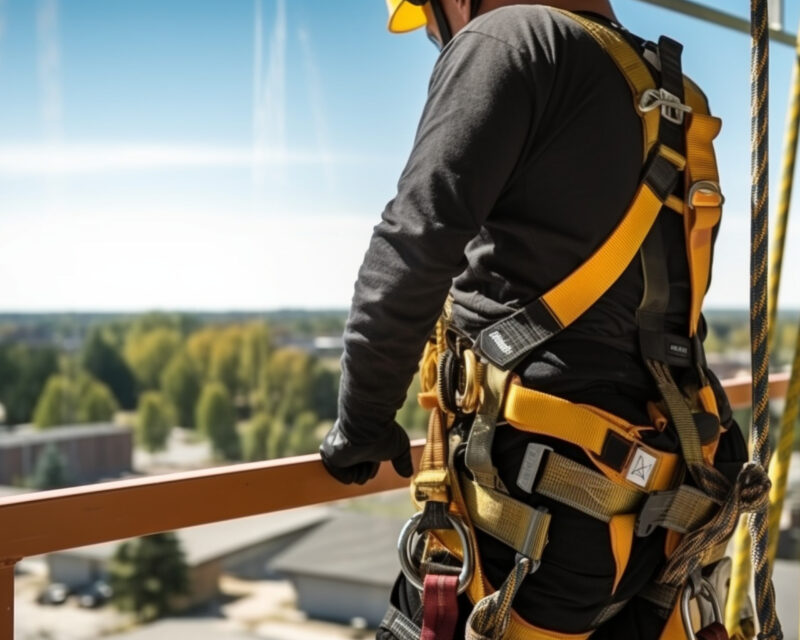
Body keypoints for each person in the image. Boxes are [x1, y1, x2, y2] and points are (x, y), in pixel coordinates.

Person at [320, 1, 747, 638]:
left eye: (435, 25)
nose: (442, 39)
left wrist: (361, 420)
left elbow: (412, 245)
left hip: (543, 510)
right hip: (669, 494)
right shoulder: (669, 91)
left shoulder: (509, 40)